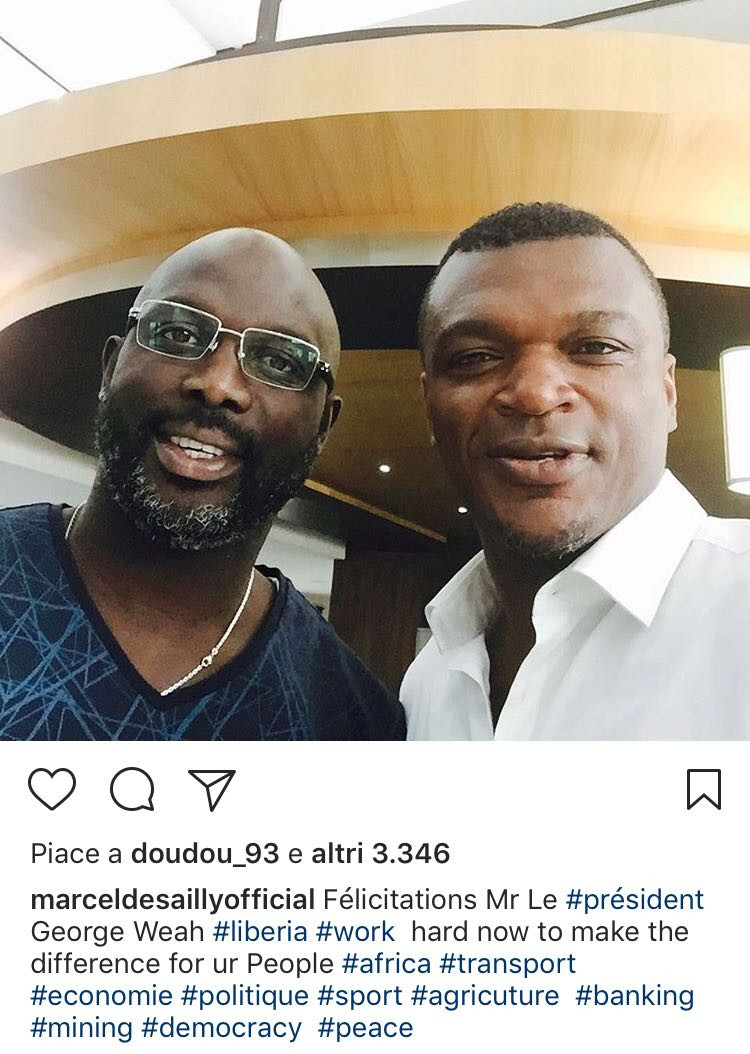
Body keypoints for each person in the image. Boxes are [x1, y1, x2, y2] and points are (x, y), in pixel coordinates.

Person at [0, 228, 404, 741]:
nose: (217, 385)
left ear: (323, 426)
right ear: (110, 368)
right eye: (178, 333)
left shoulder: (353, 718)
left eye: (279, 361)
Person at [402, 202, 750, 740]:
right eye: (475, 357)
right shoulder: (426, 683)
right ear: (430, 406)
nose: (536, 394)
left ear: (668, 392)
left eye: (595, 348)